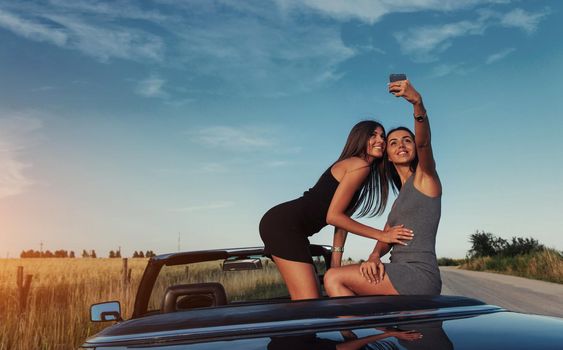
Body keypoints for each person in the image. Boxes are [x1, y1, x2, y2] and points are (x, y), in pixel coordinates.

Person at [259, 121, 414, 300]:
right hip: (283, 225)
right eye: (373, 135)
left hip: (288, 227)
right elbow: (333, 217)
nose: (380, 140)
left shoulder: (361, 169)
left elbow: (343, 219)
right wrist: (382, 235)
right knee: (308, 302)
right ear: (359, 138)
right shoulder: (358, 165)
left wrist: (335, 262)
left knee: (306, 301)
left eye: (382, 136)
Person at [324, 79, 442, 297]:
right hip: (399, 270)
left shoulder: (426, 178)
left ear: (415, 148)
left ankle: (361, 331)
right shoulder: (399, 200)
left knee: (333, 277)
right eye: (394, 143)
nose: (402, 146)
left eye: (407, 140)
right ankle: (380, 331)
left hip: (419, 274)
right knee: (339, 278)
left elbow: (425, 143)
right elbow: (386, 237)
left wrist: (417, 103)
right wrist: (374, 256)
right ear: (387, 154)